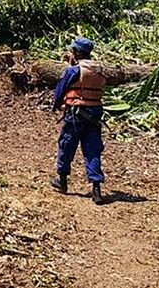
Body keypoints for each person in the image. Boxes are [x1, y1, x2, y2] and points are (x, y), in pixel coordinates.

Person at [50, 37, 107, 205]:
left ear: (76, 53)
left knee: (67, 144)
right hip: (95, 114)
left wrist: (56, 106)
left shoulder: (73, 71)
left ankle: (62, 180)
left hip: (75, 114)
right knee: (92, 149)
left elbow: (60, 90)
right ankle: (96, 189)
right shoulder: (99, 71)